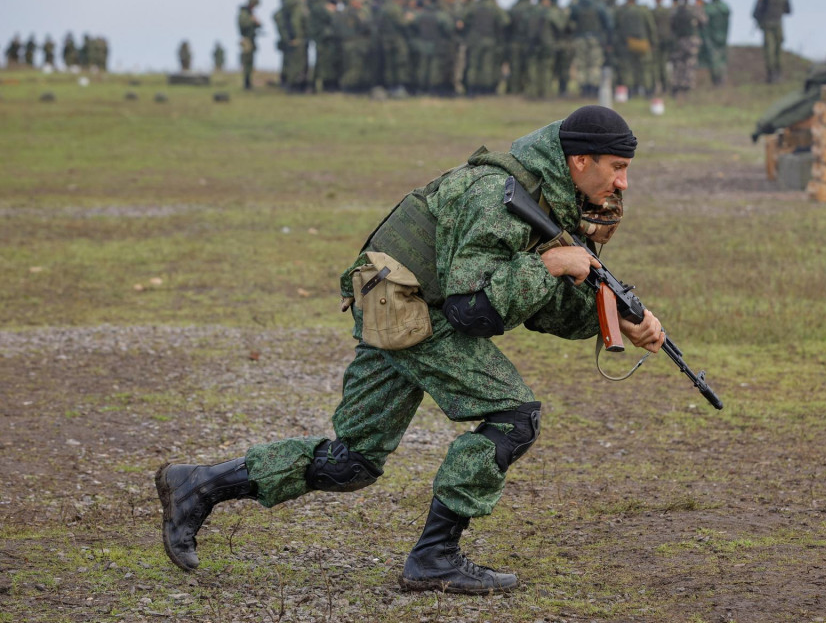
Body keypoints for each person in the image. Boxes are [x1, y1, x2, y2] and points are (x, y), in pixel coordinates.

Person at [155, 105, 665, 595]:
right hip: (408, 307)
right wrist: (550, 267)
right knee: (514, 416)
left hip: (398, 300)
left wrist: (612, 320)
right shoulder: (501, 194)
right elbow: (474, 309)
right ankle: (434, 559)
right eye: (617, 168)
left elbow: (538, 309)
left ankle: (197, 485)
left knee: (351, 462)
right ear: (580, 161)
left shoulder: (550, 199)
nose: (623, 182)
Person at [752, 0, 791, 83]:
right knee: (778, 51)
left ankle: (772, 75)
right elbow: (788, 10)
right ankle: (777, 75)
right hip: (777, 25)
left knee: (770, 51)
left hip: (768, 26)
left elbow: (755, 13)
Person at [669, 0, 704, 94]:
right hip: (691, 40)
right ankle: (687, 86)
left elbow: (671, 24)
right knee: (690, 63)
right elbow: (704, 21)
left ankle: (676, 85)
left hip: (679, 40)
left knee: (678, 63)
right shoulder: (695, 9)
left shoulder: (676, 10)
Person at [700, 0, 730, 86]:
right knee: (722, 60)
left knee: (714, 60)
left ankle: (717, 81)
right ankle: (722, 80)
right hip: (723, 37)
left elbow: (704, 26)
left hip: (711, 38)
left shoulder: (708, 9)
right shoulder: (725, 8)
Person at [238, 0, 261, 89]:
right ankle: (246, 83)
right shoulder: (244, 13)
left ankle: (248, 83)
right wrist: (252, 21)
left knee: (250, 63)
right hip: (246, 40)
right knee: (247, 62)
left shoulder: (249, 13)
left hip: (251, 39)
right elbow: (243, 24)